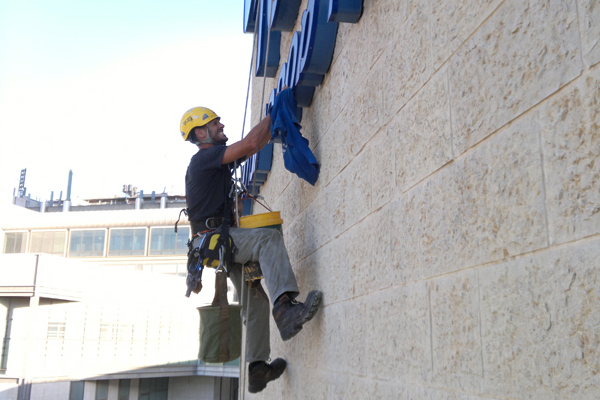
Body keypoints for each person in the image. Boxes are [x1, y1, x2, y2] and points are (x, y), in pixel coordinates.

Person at [180, 106, 322, 393]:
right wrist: (278, 107)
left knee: (254, 299)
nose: (221, 124)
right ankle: (284, 308)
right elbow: (250, 144)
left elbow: (253, 145)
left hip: (215, 246)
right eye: (214, 122)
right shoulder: (204, 159)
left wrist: (272, 122)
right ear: (200, 132)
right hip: (217, 241)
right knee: (266, 240)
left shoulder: (214, 163)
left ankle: (257, 368)